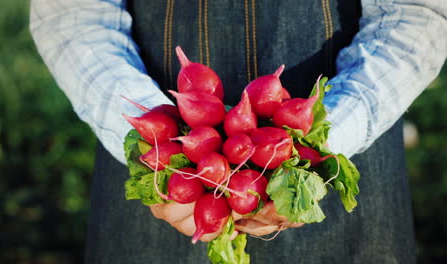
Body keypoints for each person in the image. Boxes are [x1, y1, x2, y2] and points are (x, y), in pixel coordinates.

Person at [30, 0, 447, 263]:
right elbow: (71, 16)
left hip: (345, 143)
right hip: (160, 192)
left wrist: (317, 143)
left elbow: (418, 13)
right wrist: (159, 140)